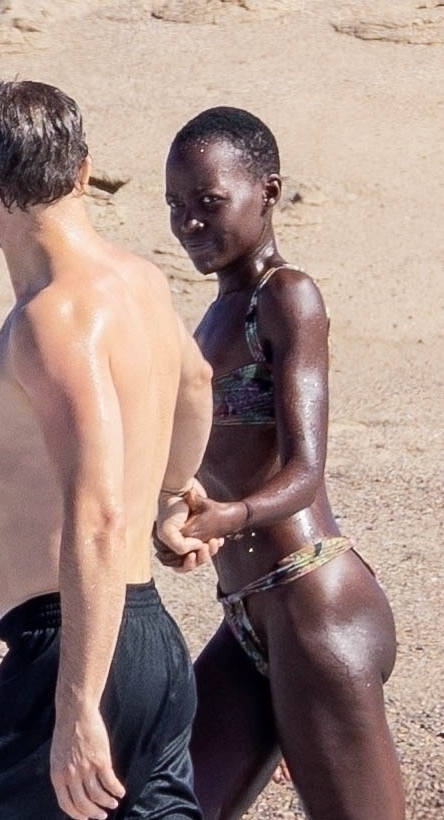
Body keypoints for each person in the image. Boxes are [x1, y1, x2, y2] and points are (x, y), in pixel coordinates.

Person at [0, 80, 219, 820]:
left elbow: (95, 514)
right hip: (153, 645)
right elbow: (196, 383)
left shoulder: (50, 321)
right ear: (85, 170)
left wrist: (75, 706)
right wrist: (168, 496)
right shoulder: (141, 283)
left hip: (72, 647)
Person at [158, 106, 405, 820]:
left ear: (267, 191)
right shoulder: (211, 315)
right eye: (175, 206)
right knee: (167, 807)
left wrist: (226, 515)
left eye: (208, 203)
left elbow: (303, 471)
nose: (188, 224)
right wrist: (184, 525)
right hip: (248, 616)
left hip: (315, 607)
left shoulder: (286, 296)